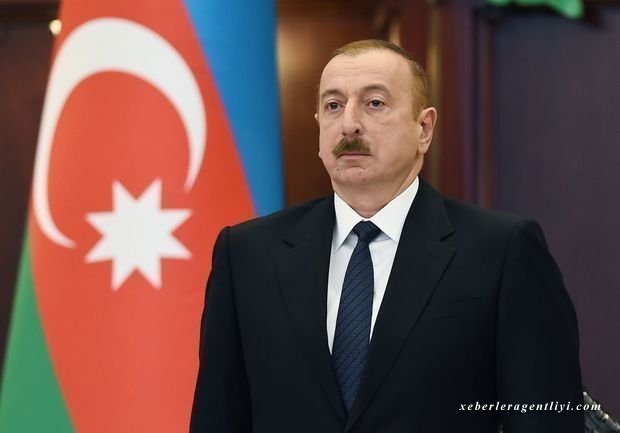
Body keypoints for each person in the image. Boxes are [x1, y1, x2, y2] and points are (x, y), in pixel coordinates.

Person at [189, 39, 583, 433]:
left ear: (423, 128)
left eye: (374, 103)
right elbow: (218, 416)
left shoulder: (502, 250)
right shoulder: (248, 254)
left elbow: (545, 420)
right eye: (333, 105)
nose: (349, 124)